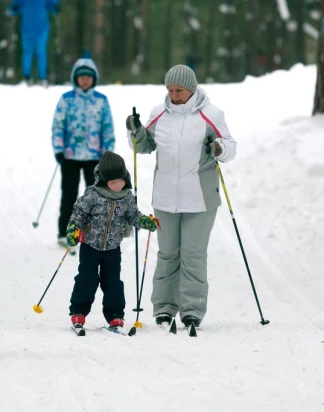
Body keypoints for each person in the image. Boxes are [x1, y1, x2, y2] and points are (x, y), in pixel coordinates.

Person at [125, 64, 237, 328]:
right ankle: (164, 307)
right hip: (165, 198)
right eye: (170, 90)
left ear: (192, 88)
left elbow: (229, 147)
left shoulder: (211, 114)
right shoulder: (159, 114)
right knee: (167, 254)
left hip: (200, 199)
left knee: (193, 255)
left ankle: (192, 310)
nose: (174, 95)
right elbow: (144, 147)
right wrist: (135, 131)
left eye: (179, 90)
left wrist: (219, 148)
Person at [66, 151, 158, 330]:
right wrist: (73, 230)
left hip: (112, 247)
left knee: (113, 282)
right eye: (113, 182)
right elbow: (79, 214)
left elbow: (133, 215)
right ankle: (78, 312)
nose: (117, 185)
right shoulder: (92, 194)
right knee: (87, 279)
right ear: (104, 180)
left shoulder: (127, 196)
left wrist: (146, 221)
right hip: (90, 245)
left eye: (120, 181)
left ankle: (115, 315)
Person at [52, 54, 115, 249]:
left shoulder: (101, 101)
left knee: (95, 196)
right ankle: (65, 232)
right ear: (76, 78)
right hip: (70, 156)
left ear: (94, 78)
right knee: (69, 195)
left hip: (94, 156)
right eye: (81, 76)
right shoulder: (66, 99)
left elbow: (108, 127)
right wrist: (59, 149)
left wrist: (108, 153)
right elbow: (58, 125)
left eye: (89, 76)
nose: (85, 80)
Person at [8, 0, 60, 86]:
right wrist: (14, 8)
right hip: (27, 29)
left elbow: (52, 5)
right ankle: (27, 77)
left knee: (41, 52)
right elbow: (14, 7)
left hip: (42, 28)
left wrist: (55, 7)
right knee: (27, 52)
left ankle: (42, 77)